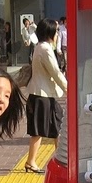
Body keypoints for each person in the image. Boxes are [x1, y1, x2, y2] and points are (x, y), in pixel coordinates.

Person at [24, 18, 67, 174]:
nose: (57, 34)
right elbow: (55, 72)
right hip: (41, 95)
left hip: (43, 94)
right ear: (49, 32)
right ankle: (31, 162)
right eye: (56, 31)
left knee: (58, 126)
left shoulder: (41, 47)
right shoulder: (45, 49)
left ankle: (62, 159)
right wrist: (69, 90)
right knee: (39, 131)